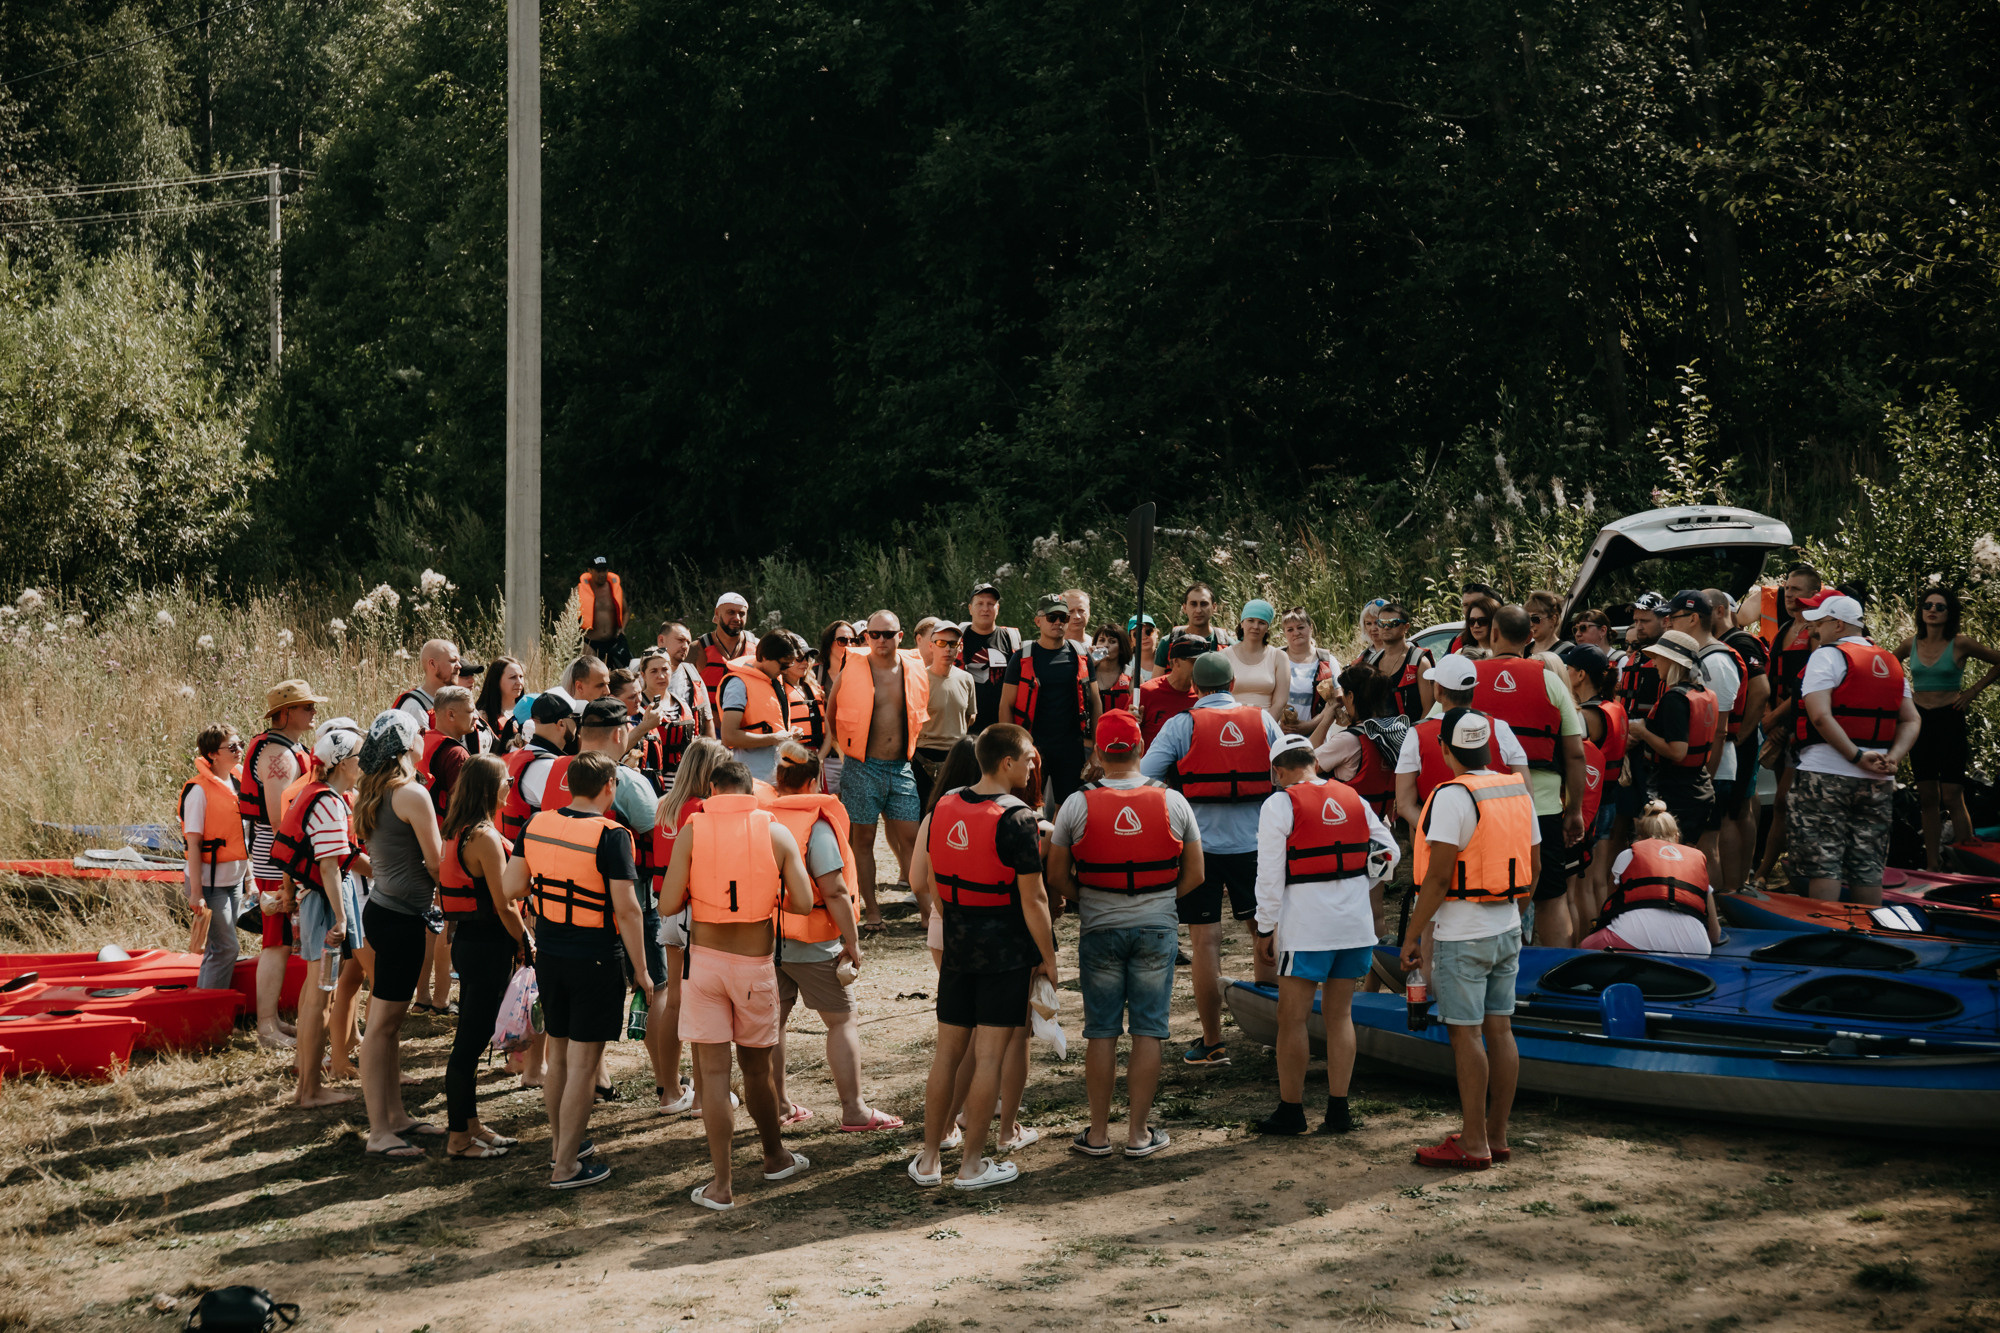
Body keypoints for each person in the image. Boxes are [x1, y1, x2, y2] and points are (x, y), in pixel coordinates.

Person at [907, 725, 1059, 1191]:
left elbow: (932, 883)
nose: (1034, 766)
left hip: (958, 947)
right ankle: (971, 1165)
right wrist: (1049, 959)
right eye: (1029, 759)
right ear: (1007, 763)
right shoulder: (1017, 818)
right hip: (1005, 952)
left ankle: (930, 1159)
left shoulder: (942, 807)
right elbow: (1033, 900)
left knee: (947, 1054)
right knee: (989, 1056)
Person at [1045, 711, 1204, 1158]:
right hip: (1157, 929)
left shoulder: (1075, 803)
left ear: (1097, 753)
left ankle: (1097, 1134)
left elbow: (1056, 874)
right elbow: (1196, 874)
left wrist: (1090, 897)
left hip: (1100, 929)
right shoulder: (1173, 801)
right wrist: (1159, 899)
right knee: (1148, 1031)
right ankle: (1138, 1134)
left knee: (1101, 1031)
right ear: (1140, 750)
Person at [656, 760, 813, 1208]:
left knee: (713, 1076)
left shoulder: (692, 830)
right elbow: (801, 903)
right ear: (752, 791)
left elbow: (668, 903)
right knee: (757, 1072)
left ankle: (722, 1185)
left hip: (704, 965)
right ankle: (774, 1156)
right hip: (753, 966)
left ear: (711, 789)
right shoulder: (775, 831)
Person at [505, 750, 655, 1189]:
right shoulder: (613, 836)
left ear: (568, 785)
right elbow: (627, 911)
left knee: (560, 1056)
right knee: (585, 1064)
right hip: (595, 956)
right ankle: (566, 1166)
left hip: (550, 953)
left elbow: (512, 887)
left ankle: (561, 1144)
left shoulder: (536, 825)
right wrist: (642, 972)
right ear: (610, 787)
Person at [1399, 709, 1535, 1170]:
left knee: (1466, 1036)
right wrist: (1513, 914)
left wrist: (1413, 936)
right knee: (1501, 1029)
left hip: (1463, 935)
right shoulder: (1516, 788)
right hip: (1507, 928)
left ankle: (1473, 1142)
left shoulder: (1452, 797)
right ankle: (1495, 1136)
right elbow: (1533, 862)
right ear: (1489, 745)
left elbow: (1436, 880)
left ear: (1444, 748)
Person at [1140, 651, 1286, 1065]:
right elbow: (1288, 774)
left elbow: (1148, 778)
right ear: (1233, 686)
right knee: (1265, 932)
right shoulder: (1262, 720)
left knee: (1205, 943)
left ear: (1195, 689)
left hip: (1198, 850)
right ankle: (1274, 1036)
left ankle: (1212, 1042)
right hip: (1256, 846)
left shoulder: (1180, 725)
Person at [1253, 732, 1398, 1136]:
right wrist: (1355, 883)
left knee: (1292, 1018)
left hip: (1306, 930)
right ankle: (1339, 1111)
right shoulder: (1353, 798)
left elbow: (1268, 875)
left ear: (1278, 771)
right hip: (1354, 926)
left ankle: (1292, 1110)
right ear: (1314, 762)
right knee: (1340, 1016)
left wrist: (1266, 927)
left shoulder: (1279, 804)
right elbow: (1391, 853)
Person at [763, 743, 903, 1132]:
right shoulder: (817, 825)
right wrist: (853, 942)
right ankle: (854, 1110)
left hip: (768, 941)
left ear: (779, 779)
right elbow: (836, 891)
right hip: (813, 944)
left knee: (774, 1024)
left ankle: (779, 1106)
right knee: (842, 1021)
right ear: (814, 781)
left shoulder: (760, 817)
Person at [351, 711, 446, 1158]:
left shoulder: (373, 792)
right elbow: (435, 861)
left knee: (387, 1026)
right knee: (382, 1026)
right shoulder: (411, 793)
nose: (426, 739)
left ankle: (395, 1116)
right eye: (421, 734)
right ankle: (378, 1132)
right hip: (401, 918)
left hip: (384, 912)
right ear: (407, 745)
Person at [1791, 595, 1920, 905]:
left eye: (1820, 623)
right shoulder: (1889, 661)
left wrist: (1856, 757)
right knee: (1868, 864)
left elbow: (1820, 716)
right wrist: (1893, 758)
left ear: (1838, 624)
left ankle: (1829, 935)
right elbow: (1912, 719)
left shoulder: (1827, 656)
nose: (1816, 630)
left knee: (1825, 861)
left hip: (1826, 773)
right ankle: (1869, 937)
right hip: (1878, 780)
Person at [1470, 606, 1588, 944]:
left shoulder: (1468, 676)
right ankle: (1554, 976)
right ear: (1530, 637)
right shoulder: (1549, 679)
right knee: (1551, 897)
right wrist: (1575, 809)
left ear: (1492, 634)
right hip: (1542, 809)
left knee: (1481, 894)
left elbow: (1432, 730)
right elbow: (1576, 753)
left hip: (1479, 807)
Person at [271, 722, 368, 1108]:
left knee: (316, 995)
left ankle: (308, 1086)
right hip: (326, 906)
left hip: (316, 901)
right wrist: (342, 920)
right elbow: (329, 866)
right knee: (321, 998)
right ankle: (310, 1090)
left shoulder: (319, 795)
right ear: (343, 763)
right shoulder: (329, 802)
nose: (364, 762)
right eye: (360, 757)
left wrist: (290, 892)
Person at [437, 754, 528, 1160]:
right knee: (469, 1044)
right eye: (507, 780)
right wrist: (527, 941)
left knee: (470, 1040)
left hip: (470, 943)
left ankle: (471, 1124)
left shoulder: (456, 830)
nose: (512, 784)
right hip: (488, 946)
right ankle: (458, 1137)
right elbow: (505, 903)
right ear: (492, 789)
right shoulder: (485, 837)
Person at [827, 610, 931, 927]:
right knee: (863, 841)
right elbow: (831, 711)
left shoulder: (914, 667)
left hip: (900, 767)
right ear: (866, 637)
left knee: (912, 839)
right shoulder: (854, 666)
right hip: (861, 766)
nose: (881, 640)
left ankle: (928, 911)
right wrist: (844, 749)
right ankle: (872, 912)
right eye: (874, 634)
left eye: (888, 634)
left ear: (900, 636)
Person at [650, 737, 732, 1115]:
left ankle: (669, 1091)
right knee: (702, 1002)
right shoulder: (703, 809)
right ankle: (702, 1095)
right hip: (696, 912)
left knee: (676, 1001)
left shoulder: (665, 806)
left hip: (668, 911)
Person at [242, 679, 324, 1048]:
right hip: (277, 857)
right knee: (275, 943)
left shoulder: (286, 749)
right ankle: (265, 1028)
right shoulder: (278, 754)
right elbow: (279, 819)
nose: (313, 713)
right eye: (307, 707)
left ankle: (272, 1020)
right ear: (286, 713)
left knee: (281, 940)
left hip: (280, 855)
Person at [1897, 586, 2000, 869]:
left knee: (1952, 794)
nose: (1932, 610)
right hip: (1919, 721)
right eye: (1928, 605)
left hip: (1950, 718)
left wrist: (1973, 691)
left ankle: (1968, 862)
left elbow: (1998, 660)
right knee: (1928, 796)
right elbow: (1884, 666)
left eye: (1940, 606)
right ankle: (1933, 865)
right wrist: (1902, 697)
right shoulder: (1910, 644)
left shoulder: (1960, 642)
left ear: (1949, 613)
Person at [1751, 565, 1825, 887]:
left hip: (1805, 729)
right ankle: (1770, 872)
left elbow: (1809, 685)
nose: (1789, 595)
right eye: (1787, 589)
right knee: (1783, 804)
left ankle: (1772, 871)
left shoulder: (1817, 632)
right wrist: (1769, 715)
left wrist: (1776, 717)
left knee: (1784, 801)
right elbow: (1771, 679)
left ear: (1814, 595)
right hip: (1779, 726)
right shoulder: (1783, 630)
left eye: (1796, 589)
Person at [1666, 591, 1743, 887]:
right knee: (1695, 847)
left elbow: (1720, 727)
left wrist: (1704, 777)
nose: (1668, 623)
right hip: (1702, 769)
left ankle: (1714, 912)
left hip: (1713, 769)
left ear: (1694, 618)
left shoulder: (1716, 662)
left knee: (1706, 848)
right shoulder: (1698, 656)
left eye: (1673, 618)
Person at [1626, 629, 1721, 866]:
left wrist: (1642, 732)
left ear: (1672, 661)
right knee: (1691, 857)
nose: (1654, 662)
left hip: (1675, 791)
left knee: (1669, 860)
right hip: (1699, 787)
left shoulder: (1675, 699)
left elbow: (1678, 751)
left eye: (1659, 657)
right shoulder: (1702, 692)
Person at [1000, 594, 1101, 812]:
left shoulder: (1080, 655)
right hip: (1032, 747)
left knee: (1070, 809)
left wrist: (1096, 749)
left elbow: (1095, 703)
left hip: (1071, 748)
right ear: (1038, 621)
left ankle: (1059, 847)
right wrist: (1012, 748)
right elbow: (1006, 705)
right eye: (1052, 617)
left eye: (1062, 617)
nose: (1058, 622)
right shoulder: (1022, 657)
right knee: (1026, 807)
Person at [1578, 801, 1720, 956]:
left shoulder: (1628, 855)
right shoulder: (1696, 860)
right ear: (1677, 836)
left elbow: (1609, 912)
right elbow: (1714, 935)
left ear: (1639, 837)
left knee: (1584, 947)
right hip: (1696, 947)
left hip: (1634, 936)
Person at [1559, 644, 1626, 941]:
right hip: (1611, 799)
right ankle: (1605, 936)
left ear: (1580, 675)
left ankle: (1590, 943)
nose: (1565, 675)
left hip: (1593, 806)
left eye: (1568, 670)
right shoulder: (1615, 707)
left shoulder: (1587, 715)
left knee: (1584, 885)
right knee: (1600, 880)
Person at [181, 724, 250, 993]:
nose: (239, 750)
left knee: (217, 948)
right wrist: (196, 893)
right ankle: (210, 1013)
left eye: (240, 744)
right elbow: (194, 844)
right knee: (226, 949)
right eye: (231, 747)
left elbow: (243, 840)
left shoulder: (238, 783)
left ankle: (207, 1004)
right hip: (209, 886)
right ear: (212, 754)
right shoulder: (198, 791)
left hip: (233, 879)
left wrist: (249, 879)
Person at [1712, 590, 1772, 893]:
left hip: (1739, 739)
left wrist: (1741, 735)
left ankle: (1734, 885)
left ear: (1720, 610)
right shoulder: (1724, 644)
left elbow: (1761, 690)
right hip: (1736, 738)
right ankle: (1740, 880)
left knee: (1733, 812)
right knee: (1743, 806)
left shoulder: (1740, 642)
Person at [1309, 666, 1400, 823]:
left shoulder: (1349, 740)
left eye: (1344, 693)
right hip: (1381, 822)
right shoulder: (1394, 731)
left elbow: (1303, 763)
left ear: (1350, 696)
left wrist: (1326, 719)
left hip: (1349, 822)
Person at [720, 630, 804, 787]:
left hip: (779, 777)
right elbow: (728, 736)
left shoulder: (774, 680)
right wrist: (774, 738)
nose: (786, 670)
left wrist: (788, 735)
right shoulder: (738, 684)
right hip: (751, 779)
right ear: (765, 657)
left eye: (790, 664)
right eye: (783, 664)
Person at [915, 621, 977, 810]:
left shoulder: (966, 679)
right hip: (922, 757)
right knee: (924, 815)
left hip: (956, 757)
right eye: (941, 643)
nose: (947, 649)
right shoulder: (919, 679)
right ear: (931, 646)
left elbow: (970, 716)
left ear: (960, 647)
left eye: (953, 644)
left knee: (955, 813)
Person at [501, 693, 577, 844]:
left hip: (509, 854)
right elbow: (570, 823)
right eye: (576, 720)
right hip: (528, 860)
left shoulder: (511, 757)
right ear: (561, 724)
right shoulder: (548, 767)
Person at [959, 583, 1023, 735]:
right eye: (980, 603)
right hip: (965, 727)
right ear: (970, 608)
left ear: (998, 608)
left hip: (1002, 727)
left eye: (990, 604)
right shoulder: (958, 639)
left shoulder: (1011, 639)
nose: (985, 608)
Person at [1362, 603, 1434, 720]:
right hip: (1379, 735)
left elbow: (1429, 710)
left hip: (1412, 734)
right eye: (1381, 623)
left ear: (1406, 627)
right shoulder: (1372, 663)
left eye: (1393, 623)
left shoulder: (1419, 662)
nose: (1386, 627)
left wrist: (1413, 736)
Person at [1278, 606, 1341, 735]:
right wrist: (1277, 726)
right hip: (1278, 735)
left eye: (1300, 627)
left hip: (1317, 735)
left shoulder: (1327, 661)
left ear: (1310, 627)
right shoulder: (1275, 658)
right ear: (1284, 632)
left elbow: (1336, 700)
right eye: (1290, 629)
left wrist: (1310, 725)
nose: (1296, 633)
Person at [1221, 599, 1286, 720]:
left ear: (1267, 627)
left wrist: (1265, 727)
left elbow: (1280, 702)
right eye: (1251, 620)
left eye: (1261, 622)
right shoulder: (1224, 656)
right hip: (1231, 724)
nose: (1255, 626)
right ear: (1242, 623)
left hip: (1266, 723)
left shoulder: (1279, 657)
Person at [1138, 634, 1204, 745]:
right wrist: (1131, 721)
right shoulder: (1146, 692)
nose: (1199, 667)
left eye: (1202, 662)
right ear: (1175, 662)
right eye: (1193, 662)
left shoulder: (1203, 696)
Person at [655, 621, 718, 738]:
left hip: (688, 751)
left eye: (688, 642)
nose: (685, 646)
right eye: (680, 640)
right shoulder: (640, 675)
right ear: (661, 640)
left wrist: (712, 754)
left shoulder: (693, 676)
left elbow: (708, 720)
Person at [1153, 582, 1231, 667]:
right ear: (1185, 608)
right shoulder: (1167, 643)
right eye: (1193, 604)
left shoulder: (1228, 645)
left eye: (1204, 604)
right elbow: (1156, 680)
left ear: (1214, 607)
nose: (1198, 610)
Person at [695, 594, 752, 707]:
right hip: (710, 722)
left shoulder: (757, 647)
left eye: (741, 614)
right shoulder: (697, 648)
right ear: (717, 613)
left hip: (747, 721)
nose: (737, 618)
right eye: (730, 612)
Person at [395, 639, 460, 729]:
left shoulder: (458, 702)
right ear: (432, 664)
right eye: (453, 661)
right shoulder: (415, 707)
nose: (459, 666)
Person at [579, 556, 630, 668]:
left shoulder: (615, 589)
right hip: (590, 643)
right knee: (592, 674)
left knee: (621, 675)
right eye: (598, 571)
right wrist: (580, 641)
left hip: (612, 642)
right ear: (590, 571)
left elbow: (626, 612)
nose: (602, 574)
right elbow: (568, 618)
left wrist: (622, 628)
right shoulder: (579, 591)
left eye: (604, 570)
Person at [477, 657, 527, 752]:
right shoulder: (483, 715)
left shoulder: (530, 709)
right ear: (496, 681)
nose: (519, 682)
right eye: (513, 677)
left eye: (521, 677)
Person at [1090, 623, 1134, 716]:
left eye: (1112, 641)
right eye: (1101, 640)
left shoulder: (1132, 675)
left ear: (1121, 648)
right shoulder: (1087, 673)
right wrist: (1090, 664)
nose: (1105, 645)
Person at [1525, 590, 1567, 658]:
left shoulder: (1567, 652)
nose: (1530, 624)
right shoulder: (1523, 651)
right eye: (1527, 618)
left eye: (1535, 619)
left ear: (1553, 619)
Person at [1126, 614, 1159, 684]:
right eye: (1137, 634)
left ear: (1156, 633)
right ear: (1131, 639)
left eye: (1148, 631)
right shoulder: (1126, 663)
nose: (1144, 637)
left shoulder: (1168, 660)